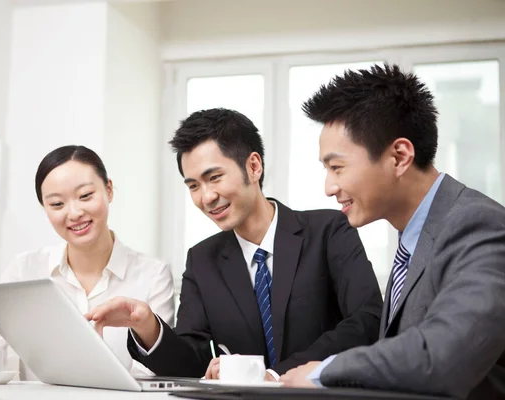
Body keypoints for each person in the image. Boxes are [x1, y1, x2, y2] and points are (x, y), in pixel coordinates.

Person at [85, 108, 383, 380]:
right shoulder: (202, 260)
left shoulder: (327, 230)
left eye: (214, 177)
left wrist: (273, 376)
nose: (206, 197)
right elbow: (192, 359)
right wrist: (147, 324)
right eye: (193, 186)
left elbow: (366, 319)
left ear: (253, 167)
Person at [279, 64, 505, 399]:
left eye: (337, 167)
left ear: (399, 156)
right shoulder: (413, 241)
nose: (329, 187)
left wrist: (322, 371)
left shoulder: (479, 225)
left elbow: (440, 356)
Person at [0, 145, 174, 378]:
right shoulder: (24, 270)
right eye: (57, 204)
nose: (74, 213)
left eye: (85, 196)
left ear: (108, 190)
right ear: (45, 208)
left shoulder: (153, 275)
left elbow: (151, 375)